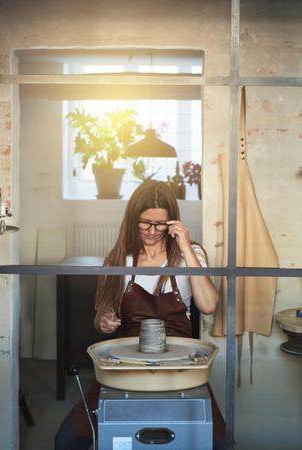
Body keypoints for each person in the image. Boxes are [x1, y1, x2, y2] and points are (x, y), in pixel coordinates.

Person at [55, 180, 225, 450]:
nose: (152, 231)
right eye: (145, 223)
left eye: (161, 224)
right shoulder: (119, 260)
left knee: (217, 443)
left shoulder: (189, 255)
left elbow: (208, 305)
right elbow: (99, 319)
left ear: (172, 223)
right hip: (127, 363)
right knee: (67, 441)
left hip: (179, 363)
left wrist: (185, 247)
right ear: (133, 220)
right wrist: (104, 321)